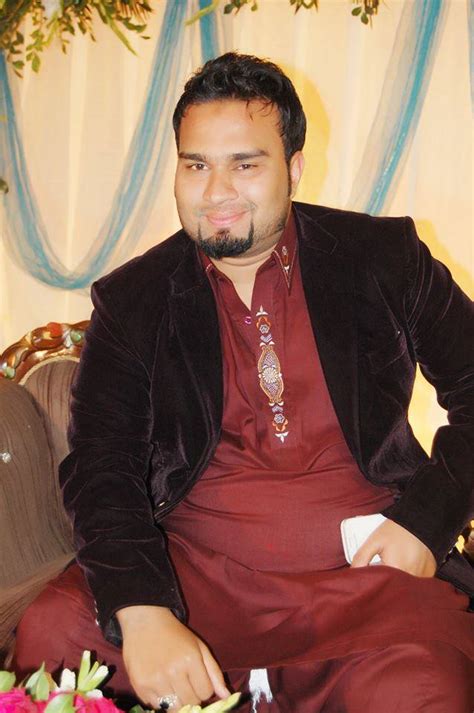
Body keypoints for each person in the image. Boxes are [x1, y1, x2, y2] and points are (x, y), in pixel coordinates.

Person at [13, 53, 474, 712]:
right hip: (194, 580)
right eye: (196, 165)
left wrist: (424, 524)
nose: (216, 191)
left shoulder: (381, 260)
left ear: (294, 168)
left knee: (422, 691)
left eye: (245, 165)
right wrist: (143, 610)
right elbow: (100, 462)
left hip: (363, 586)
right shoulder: (135, 299)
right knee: (52, 635)